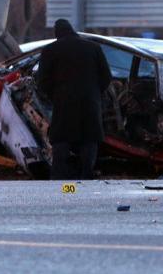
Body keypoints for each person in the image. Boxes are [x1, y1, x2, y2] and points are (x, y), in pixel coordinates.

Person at [36, 19, 112, 180]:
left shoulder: (50, 50)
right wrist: (95, 93)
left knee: (62, 139)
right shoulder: (93, 48)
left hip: (63, 103)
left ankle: (61, 182)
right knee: (89, 138)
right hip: (90, 103)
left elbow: (42, 81)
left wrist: (53, 95)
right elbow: (106, 76)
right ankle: (86, 176)